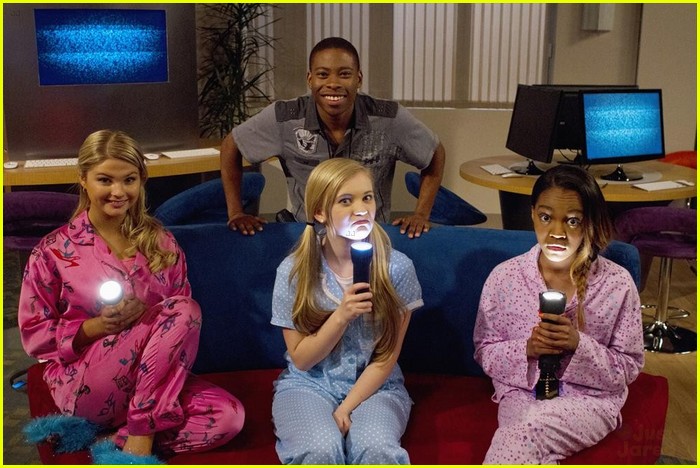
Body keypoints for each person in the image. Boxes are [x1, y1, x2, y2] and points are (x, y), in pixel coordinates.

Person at [19, 130, 244, 464]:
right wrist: (95, 327)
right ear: (83, 179)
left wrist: (150, 319)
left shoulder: (163, 243)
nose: (118, 191)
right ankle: (141, 435)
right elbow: (34, 335)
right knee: (182, 310)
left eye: (129, 180)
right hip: (86, 385)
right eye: (105, 180)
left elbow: (182, 332)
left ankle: (114, 438)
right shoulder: (52, 251)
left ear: (142, 180)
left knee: (228, 417)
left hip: (154, 383)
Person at [473, 164, 644, 464]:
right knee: (525, 445)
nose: (557, 233)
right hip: (520, 394)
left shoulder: (616, 284)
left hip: (591, 400)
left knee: (518, 436)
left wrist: (578, 345)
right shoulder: (505, 278)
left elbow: (629, 367)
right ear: (532, 214)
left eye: (573, 221)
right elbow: (484, 352)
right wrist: (528, 348)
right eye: (546, 217)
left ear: (589, 222)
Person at [270, 158, 423, 464]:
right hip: (309, 383)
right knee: (320, 448)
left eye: (367, 198)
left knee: (376, 448)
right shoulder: (294, 271)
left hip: (378, 388)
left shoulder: (397, 268)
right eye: (345, 201)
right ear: (320, 212)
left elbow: (386, 357)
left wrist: (346, 407)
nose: (361, 209)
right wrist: (341, 316)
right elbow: (302, 359)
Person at [221, 36, 445, 238]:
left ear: (359, 79)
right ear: (310, 79)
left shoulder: (389, 118)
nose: (333, 83)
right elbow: (232, 145)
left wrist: (421, 214)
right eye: (323, 74)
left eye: (344, 74)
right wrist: (236, 212)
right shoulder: (284, 118)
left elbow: (435, 153)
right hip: (308, 235)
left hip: (368, 236)